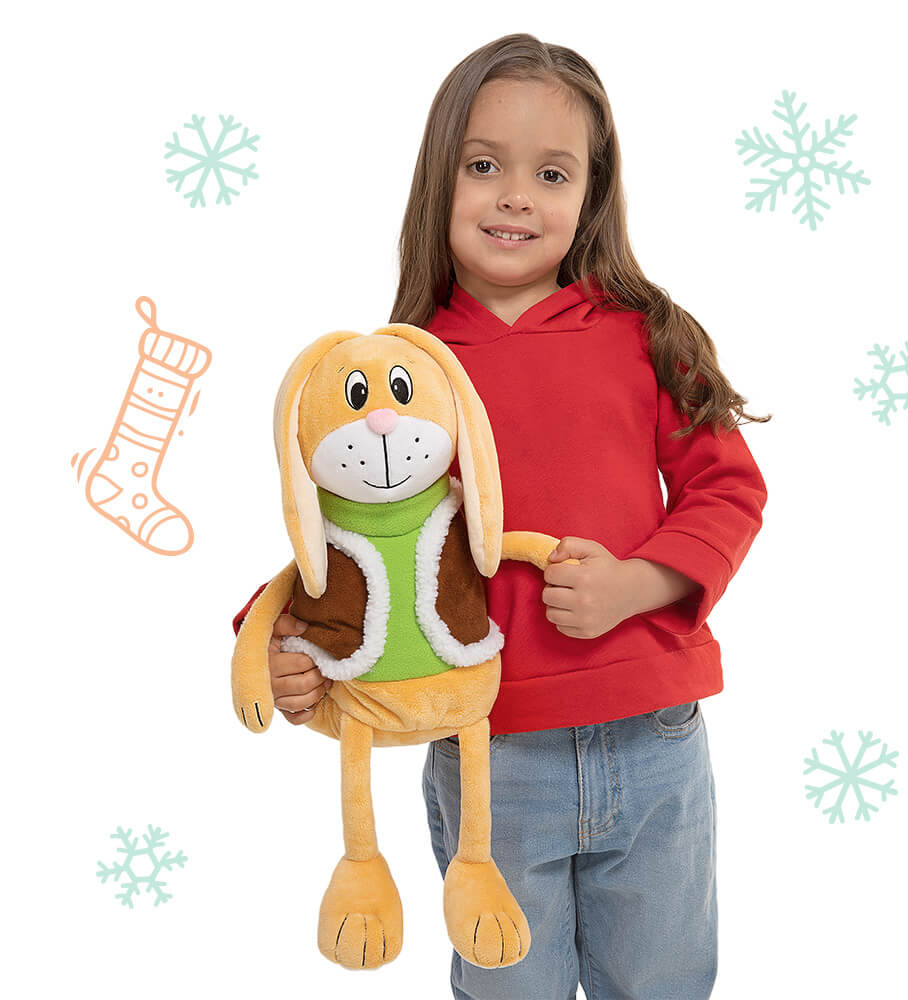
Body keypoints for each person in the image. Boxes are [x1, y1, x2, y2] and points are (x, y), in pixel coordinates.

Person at [232, 33, 770, 1000]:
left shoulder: (649, 335)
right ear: (438, 178)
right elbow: (347, 532)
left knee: (667, 983)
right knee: (508, 986)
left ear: (590, 196)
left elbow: (728, 489)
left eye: (551, 173)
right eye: (484, 166)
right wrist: (280, 642)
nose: (516, 196)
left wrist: (638, 583)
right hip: (491, 755)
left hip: (655, 737)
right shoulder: (404, 374)